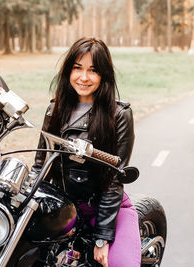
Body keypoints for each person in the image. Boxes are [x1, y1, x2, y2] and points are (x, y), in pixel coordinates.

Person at [33, 37, 140, 267]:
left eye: (93, 70)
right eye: (77, 68)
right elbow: (40, 164)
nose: (83, 77)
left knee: (120, 264)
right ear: (68, 70)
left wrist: (103, 236)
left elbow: (114, 180)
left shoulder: (119, 114)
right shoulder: (55, 109)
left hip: (107, 208)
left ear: (104, 75)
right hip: (64, 208)